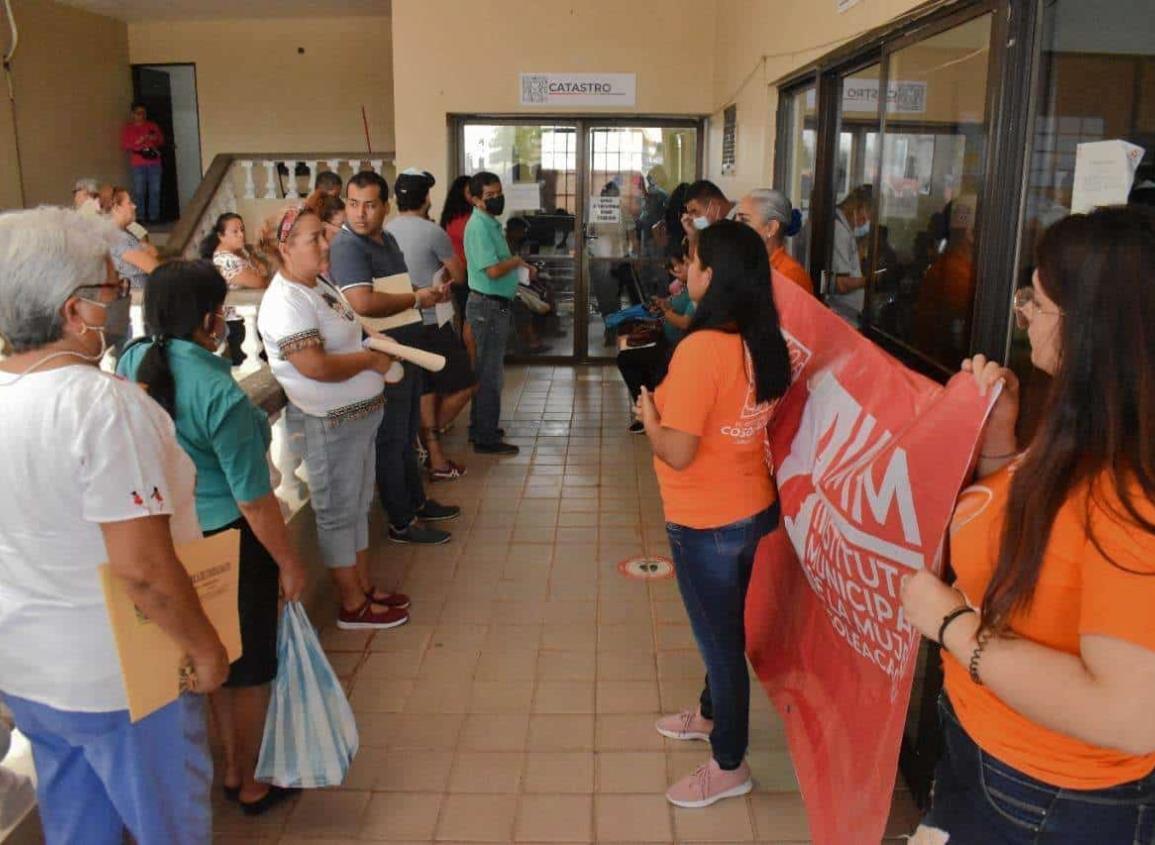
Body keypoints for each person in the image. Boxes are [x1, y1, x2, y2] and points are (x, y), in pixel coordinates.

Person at [899, 206, 1155, 843]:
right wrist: (999, 446)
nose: (1022, 316)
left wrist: (953, 626)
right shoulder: (1085, 426)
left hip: (1052, 795)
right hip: (981, 738)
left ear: (1090, 329)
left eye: (1035, 304)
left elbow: (1129, 714)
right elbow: (1045, 540)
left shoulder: (1133, 494)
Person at [0, 207, 229, 844]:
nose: (123, 301)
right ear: (75, 312)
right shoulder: (101, 406)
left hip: (29, 671)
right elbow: (144, 570)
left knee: (78, 827)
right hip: (123, 676)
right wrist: (206, 648)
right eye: (112, 290)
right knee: (170, 827)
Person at [117, 261, 309, 816]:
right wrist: (289, 562)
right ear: (210, 318)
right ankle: (244, 779)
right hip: (232, 539)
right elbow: (253, 498)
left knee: (205, 656)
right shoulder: (216, 393)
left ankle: (219, 767)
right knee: (247, 671)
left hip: (171, 538)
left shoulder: (135, 362)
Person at [638, 220, 791, 809]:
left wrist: (648, 413)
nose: (686, 269)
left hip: (706, 523)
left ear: (715, 275)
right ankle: (708, 714)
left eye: (693, 260)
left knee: (721, 645)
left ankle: (729, 763)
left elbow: (677, 451)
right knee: (725, 628)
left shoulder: (705, 348)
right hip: (751, 508)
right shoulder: (763, 337)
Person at [255, 203, 409, 630]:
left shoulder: (318, 283)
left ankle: (363, 584)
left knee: (358, 505)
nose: (328, 243)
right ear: (285, 248)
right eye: (314, 238)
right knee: (338, 512)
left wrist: (374, 346)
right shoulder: (284, 301)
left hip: (358, 420)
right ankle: (351, 603)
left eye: (324, 234)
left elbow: (348, 330)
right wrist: (369, 361)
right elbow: (316, 367)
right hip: (331, 423)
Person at [329, 170, 461, 544]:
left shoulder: (385, 239)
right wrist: (415, 299)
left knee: (406, 436)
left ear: (384, 207)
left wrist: (426, 293)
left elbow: (397, 289)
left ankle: (417, 503)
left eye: (369, 205)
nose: (359, 214)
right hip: (383, 356)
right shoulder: (347, 246)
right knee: (391, 440)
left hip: (407, 345)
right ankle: (401, 521)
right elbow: (362, 301)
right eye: (353, 204)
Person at [385, 168, 475, 482]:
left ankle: (426, 444)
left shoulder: (386, 232)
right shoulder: (431, 232)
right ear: (426, 199)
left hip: (398, 324)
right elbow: (460, 275)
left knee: (422, 389)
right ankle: (428, 439)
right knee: (465, 382)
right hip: (431, 321)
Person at [463, 170, 533, 455]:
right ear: (476, 199)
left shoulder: (490, 223)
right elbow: (492, 270)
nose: (496, 199)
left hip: (495, 306)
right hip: (487, 307)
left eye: (498, 193)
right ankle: (485, 437)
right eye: (489, 196)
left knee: (488, 370)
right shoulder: (478, 227)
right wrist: (516, 260)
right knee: (490, 374)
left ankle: (481, 425)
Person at [619, 247, 695, 434]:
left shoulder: (696, 291)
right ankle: (649, 407)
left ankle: (650, 411)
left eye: (682, 264)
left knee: (628, 360)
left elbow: (685, 322)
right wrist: (664, 306)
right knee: (629, 354)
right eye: (673, 267)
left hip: (676, 348)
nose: (677, 270)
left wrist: (666, 312)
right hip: (667, 341)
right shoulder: (685, 287)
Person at [735, 189, 812, 294]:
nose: (735, 227)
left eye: (744, 220)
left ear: (771, 228)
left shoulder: (791, 274)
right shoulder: (745, 263)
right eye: (736, 220)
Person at [439, 175, 475, 359]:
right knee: (471, 321)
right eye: (470, 192)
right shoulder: (467, 219)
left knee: (462, 317)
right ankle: (471, 363)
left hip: (455, 274)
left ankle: (467, 360)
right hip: (468, 274)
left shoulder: (449, 217)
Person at [828, 184, 872, 327]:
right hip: (841, 317)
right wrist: (870, 280)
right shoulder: (839, 231)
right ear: (856, 206)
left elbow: (850, 266)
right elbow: (841, 284)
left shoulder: (846, 228)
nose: (862, 224)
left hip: (849, 317)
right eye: (863, 219)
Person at [106, 186, 159, 289]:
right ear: (117, 208)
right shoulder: (120, 239)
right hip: (136, 299)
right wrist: (152, 254)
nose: (134, 206)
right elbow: (155, 269)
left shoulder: (114, 235)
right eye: (129, 203)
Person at [200, 213, 270, 290]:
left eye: (242, 230)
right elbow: (261, 283)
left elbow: (261, 267)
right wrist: (262, 272)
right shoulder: (225, 262)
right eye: (235, 231)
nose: (241, 234)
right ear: (221, 236)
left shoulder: (240, 249)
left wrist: (262, 270)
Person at [121, 102, 165, 224]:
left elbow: (161, 140)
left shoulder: (152, 125)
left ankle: (154, 217)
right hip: (138, 162)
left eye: (143, 113)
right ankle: (140, 216)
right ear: (133, 114)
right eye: (138, 113)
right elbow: (126, 145)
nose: (141, 116)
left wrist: (153, 139)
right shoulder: (128, 129)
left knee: (155, 190)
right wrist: (140, 141)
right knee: (139, 190)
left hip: (154, 161)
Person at [680, 180, 737, 253]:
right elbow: (694, 263)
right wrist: (692, 236)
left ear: (714, 206)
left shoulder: (742, 218)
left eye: (694, 211)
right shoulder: (710, 228)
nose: (692, 218)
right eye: (689, 213)